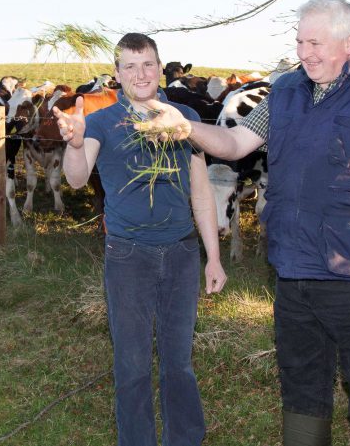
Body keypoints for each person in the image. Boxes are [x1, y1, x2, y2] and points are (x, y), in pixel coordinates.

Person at [135, 0, 350, 446]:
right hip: (294, 271)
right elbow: (233, 142)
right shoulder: (285, 93)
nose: (304, 52)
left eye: (315, 43)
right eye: (300, 41)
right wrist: (185, 126)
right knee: (301, 390)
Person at [53, 32, 227, 446]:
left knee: (178, 361)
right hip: (128, 255)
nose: (140, 73)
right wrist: (75, 144)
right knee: (131, 364)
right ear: (117, 74)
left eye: (147, 63)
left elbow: (200, 192)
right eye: (129, 66)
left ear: (159, 67)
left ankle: (184, 439)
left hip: (183, 252)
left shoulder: (183, 115)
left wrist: (213, 257)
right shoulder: (100, 122)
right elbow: (76, 178)